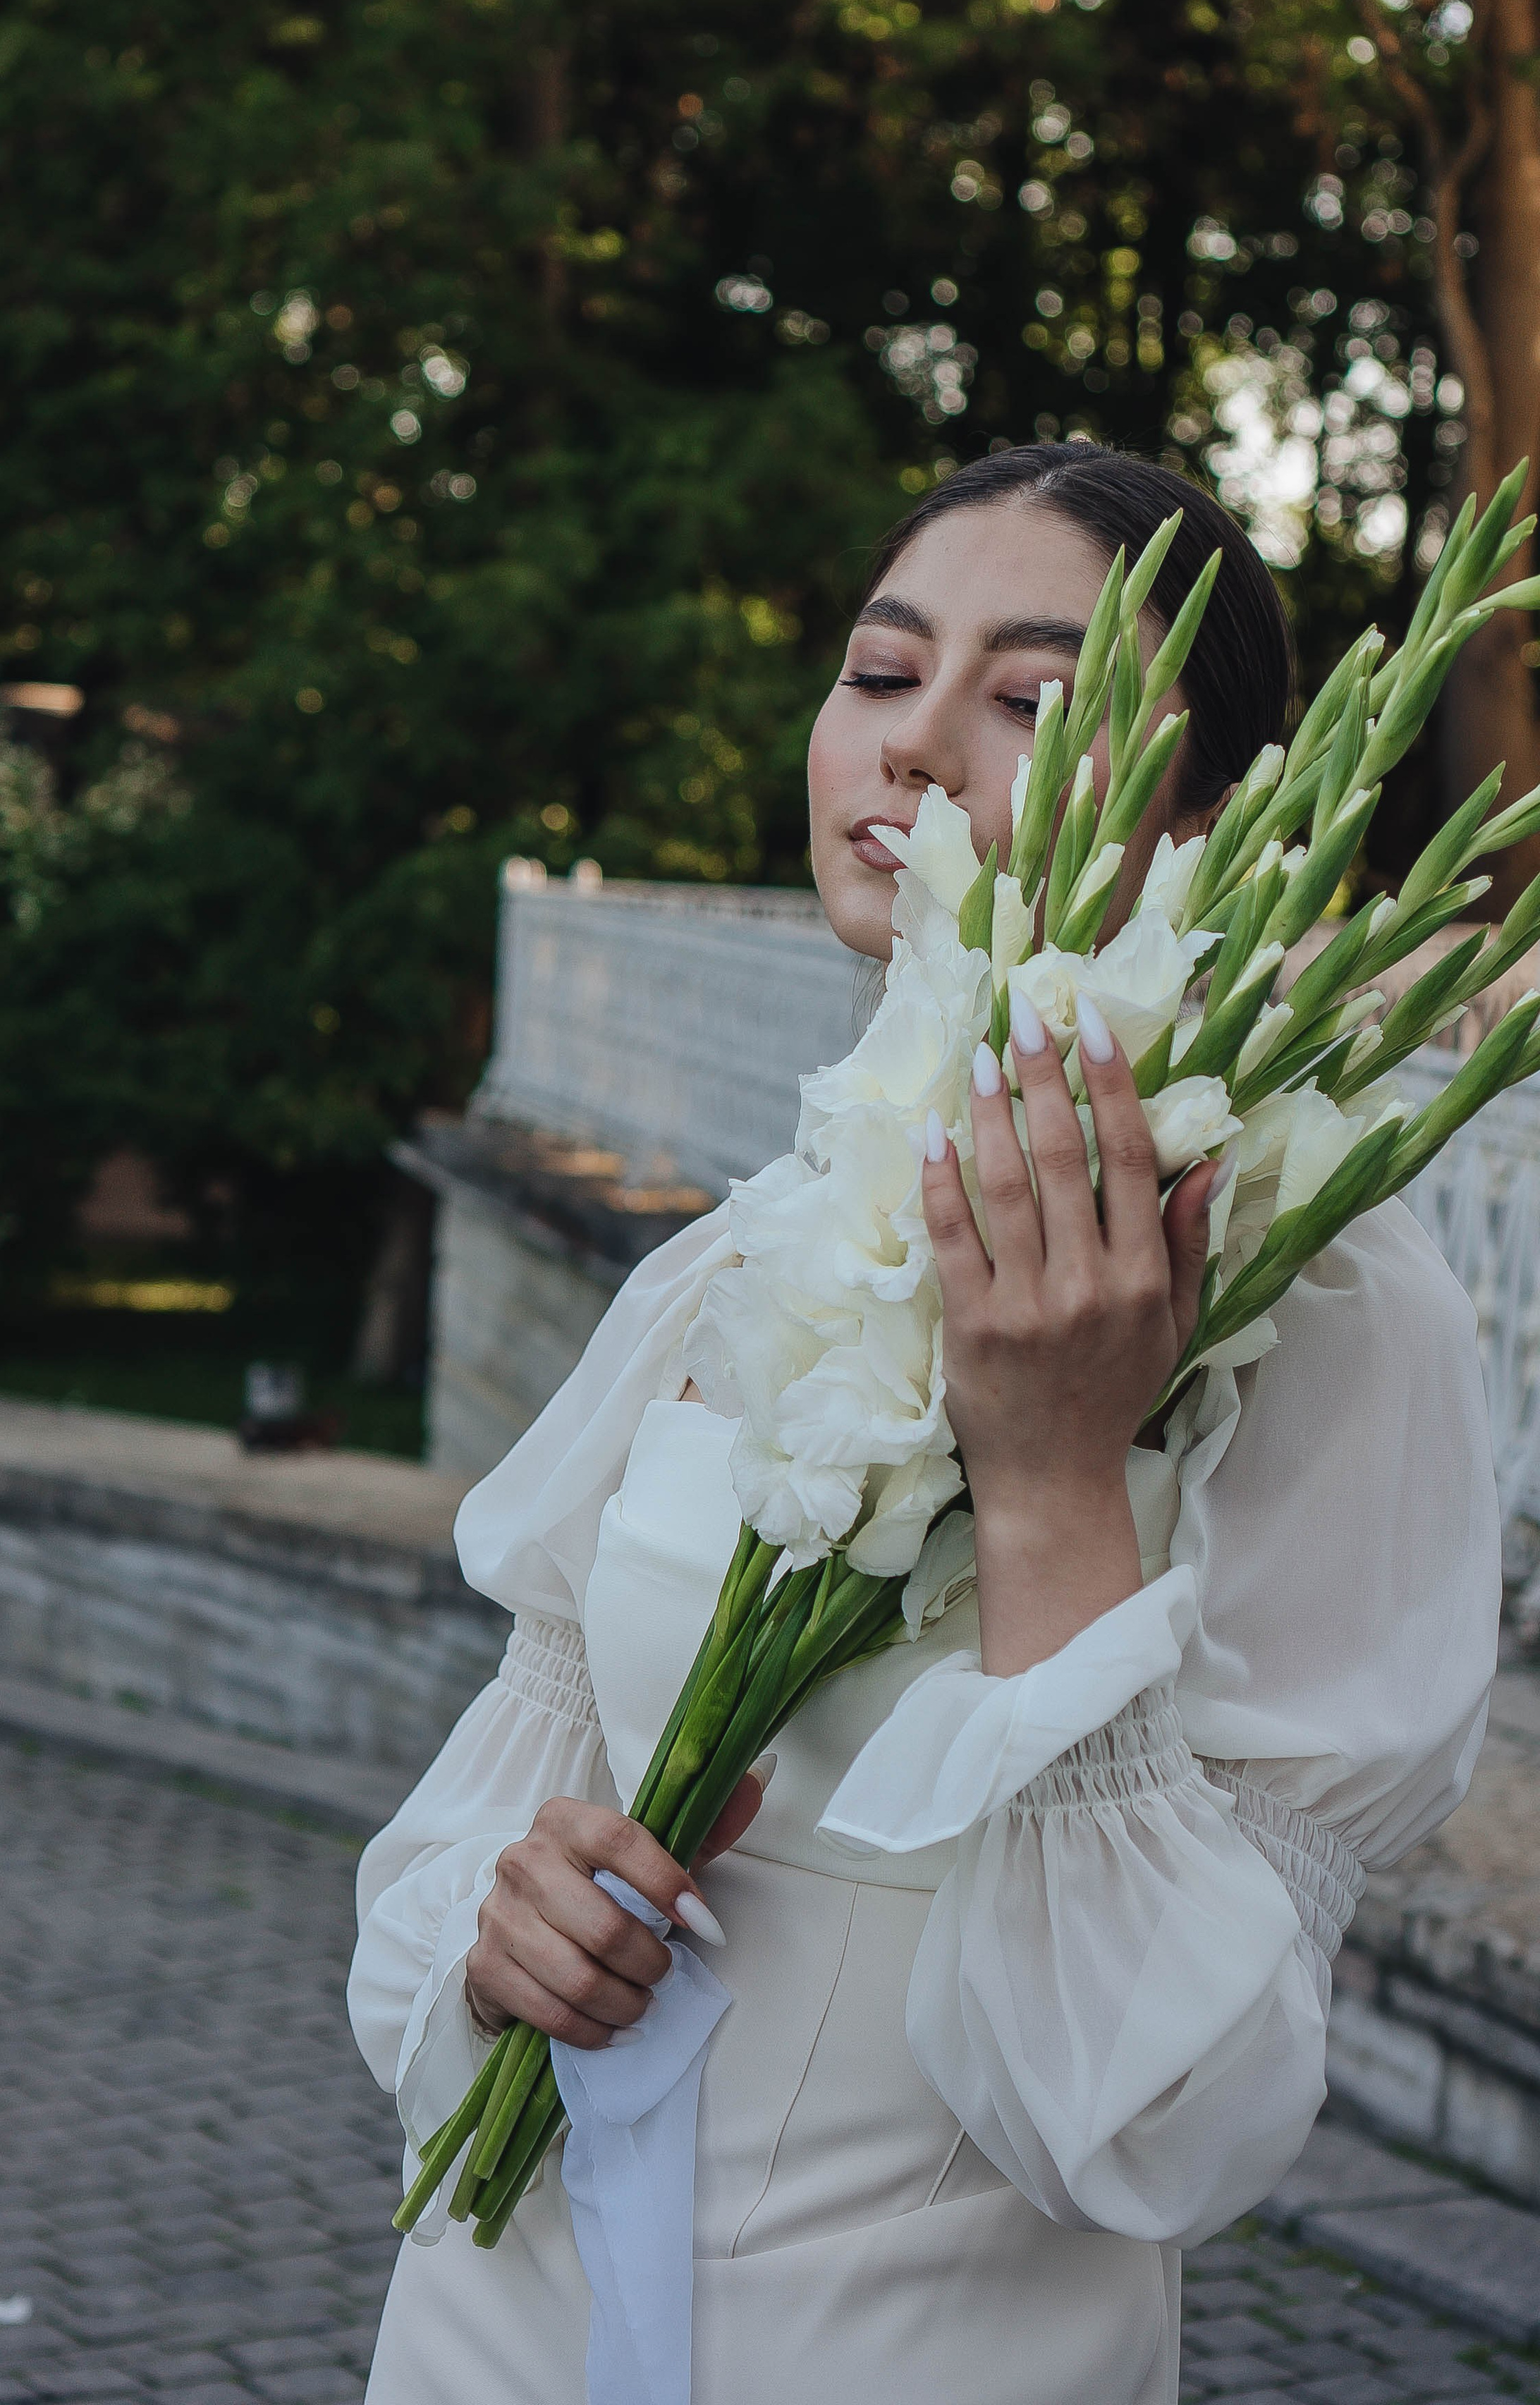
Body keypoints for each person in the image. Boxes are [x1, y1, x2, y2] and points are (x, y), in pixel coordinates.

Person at [348, 442, 1501, 2405]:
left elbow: (1161, 2122)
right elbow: (490, 1800)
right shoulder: (741, 1257)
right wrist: (498, 1934)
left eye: (1033, 702)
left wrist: (1058, 1478)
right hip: (495, 2332)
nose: (917, 748)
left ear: (1212, 819)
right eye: (883, 674)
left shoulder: (1312, 1289)